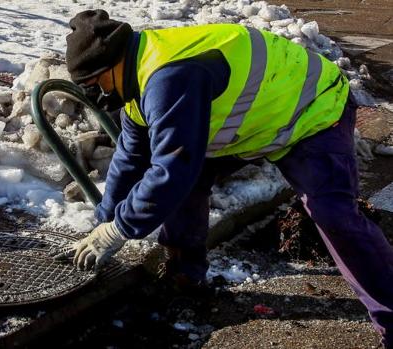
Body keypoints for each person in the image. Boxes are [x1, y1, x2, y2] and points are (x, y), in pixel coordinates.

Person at [52, 9, 393, 346]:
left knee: (335, 216)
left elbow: (171, 170)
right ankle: (185, 276)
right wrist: (102, 220)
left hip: (312, 110)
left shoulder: (169, 78)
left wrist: (119, 229)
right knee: (189, 180)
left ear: (112, 63)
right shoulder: (136, 79)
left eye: (95, 83)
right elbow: (130, 158)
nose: (97, 96)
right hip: (261, 120)